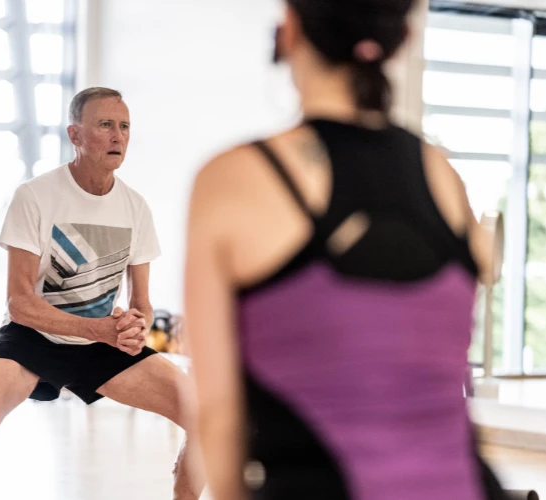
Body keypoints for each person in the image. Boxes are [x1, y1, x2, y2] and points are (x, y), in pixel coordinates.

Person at [183, 1, 509, 499]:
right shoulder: (444, 175)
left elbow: (220, 411)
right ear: (403, 36)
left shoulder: (235, 178)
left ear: (288, 30)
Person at [0, 87, 202, 500]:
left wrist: (137, 326)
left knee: (204, 414)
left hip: (102, 340)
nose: (118, 136)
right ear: (75, 135)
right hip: (34, 336)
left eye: (124, 126)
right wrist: (98, 330)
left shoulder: (136, 208)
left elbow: (142, 305)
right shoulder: (35, 196)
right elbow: (20, 303)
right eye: (105, 125)